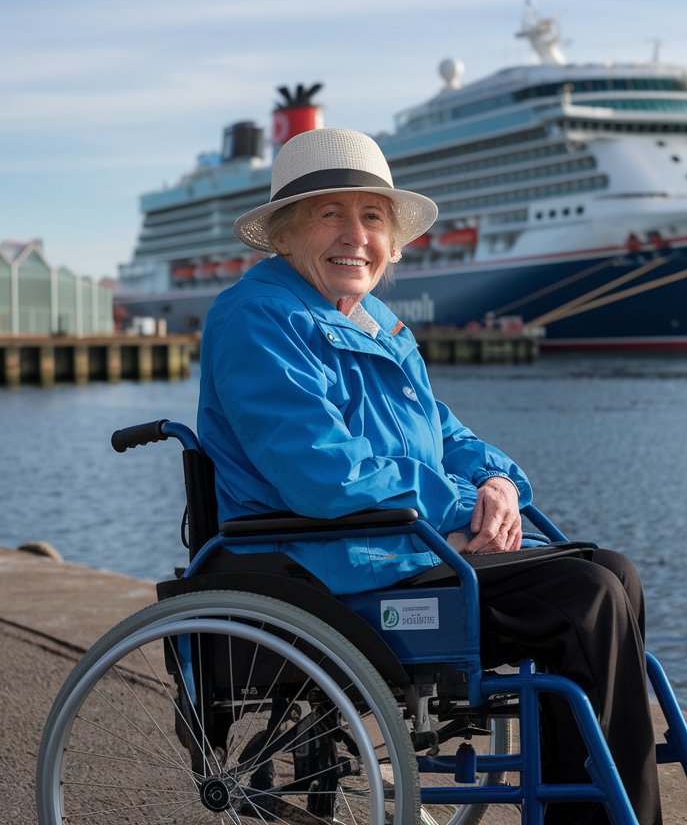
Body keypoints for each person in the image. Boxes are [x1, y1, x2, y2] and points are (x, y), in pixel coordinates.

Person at [196, 127, 661, 825]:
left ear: (393, 239)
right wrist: (457, 511)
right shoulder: (255, 318)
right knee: (584, 596)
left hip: (400, 547)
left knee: (615, 573)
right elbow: (322, 473)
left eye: (372, 217)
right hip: (325, 565)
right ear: (285, 235)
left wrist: (499, 485)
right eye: (331, 214)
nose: (356, 236)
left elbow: (444, 434)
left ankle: (590, 801)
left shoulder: (379, 321)